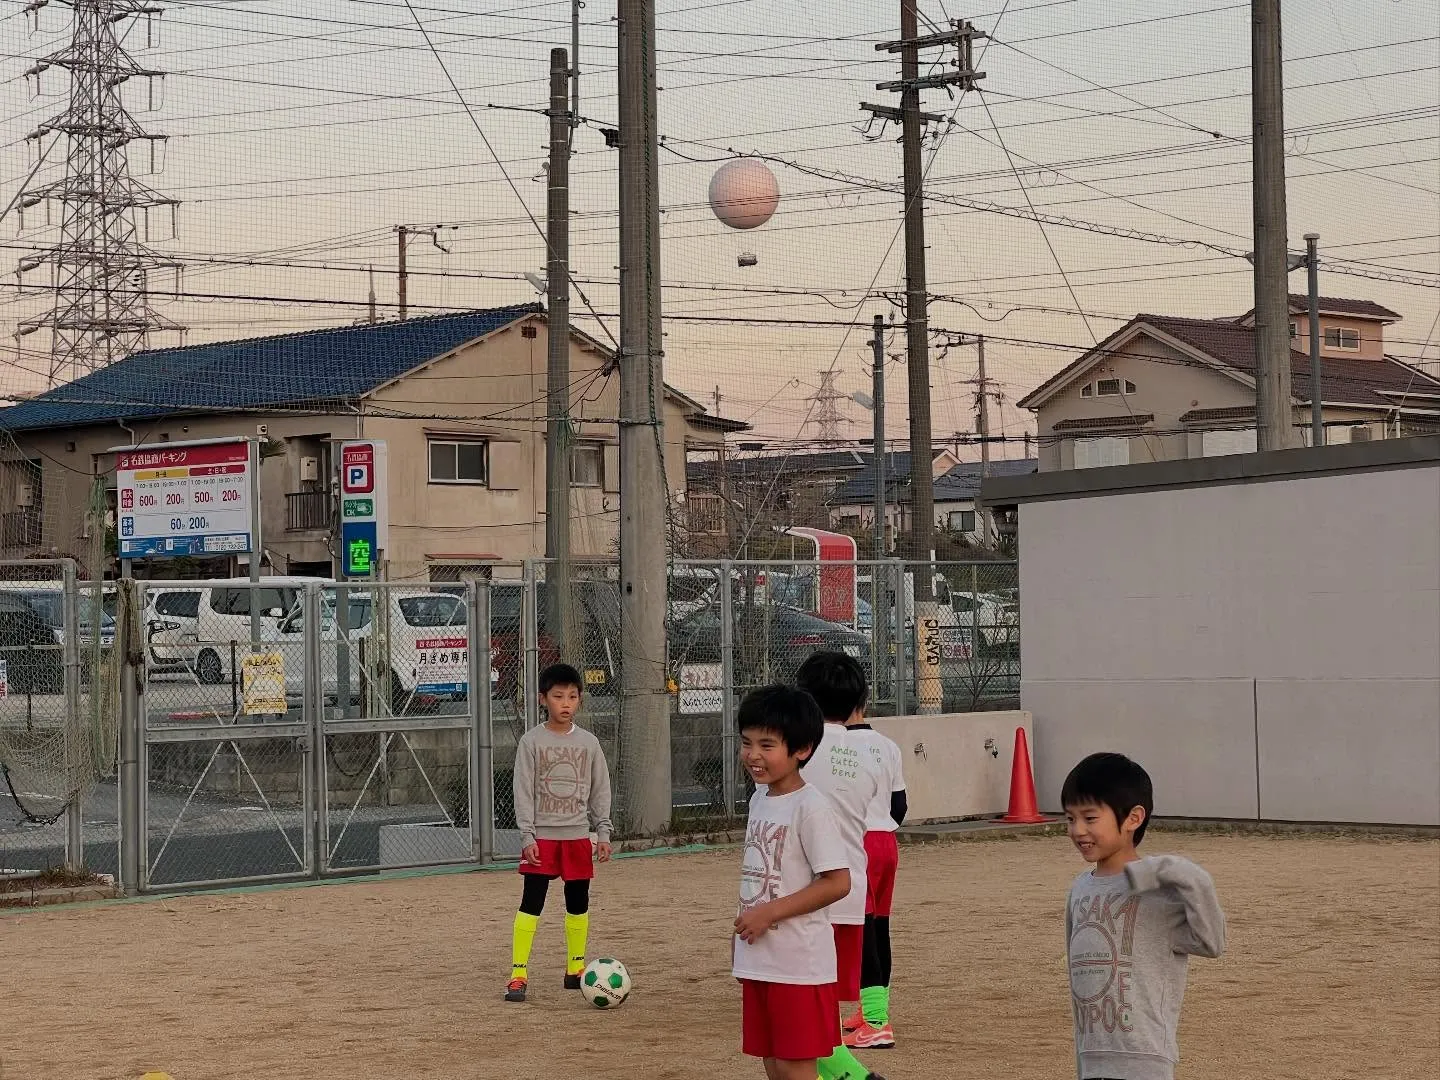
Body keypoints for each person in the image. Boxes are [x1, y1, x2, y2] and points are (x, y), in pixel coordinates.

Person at [732, 684, 875, 1080]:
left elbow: (837, 882)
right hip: (760, 959)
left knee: (795, 1065)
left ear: (802, 749)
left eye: (767, 745)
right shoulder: (759, 800)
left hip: (799, 965)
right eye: (746, 743)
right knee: (771, 1059)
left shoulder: (811, 807)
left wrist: (769, 913)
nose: (753, 755)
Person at [1062, 752, 1226, 1080]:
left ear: (1133, 818)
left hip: (1145, 1061)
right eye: (1069, 818)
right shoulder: (1080, 888)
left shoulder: (1160, 887)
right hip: (1092, 1061)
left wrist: (1175, 870)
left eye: (1090, 818)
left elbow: (1212, 942)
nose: (1077, 830)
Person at [792, 651, 888, 1080]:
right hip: (850, 896)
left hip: (806, 896)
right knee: (821, 1008)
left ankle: (861, 1078)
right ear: (856, 703)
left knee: (805, 1017)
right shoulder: (870, 754)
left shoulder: (798, 753)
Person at [506, 662, 613, 1003]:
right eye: (557, 696)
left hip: (578, 836)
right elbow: (523, 791)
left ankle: (575, 969)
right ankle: (518, 973)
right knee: (531, 902)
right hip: (542, 838)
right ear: (543, 699)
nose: (565, 703)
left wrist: (603, 832)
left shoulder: (589, 743)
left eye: (572, 696)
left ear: (580, 699)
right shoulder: (531, 742)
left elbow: (600, 790)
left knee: (578, 901)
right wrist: (527, 836)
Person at [842, 708, 906, 1049]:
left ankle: (877, 1022)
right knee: (880, 926)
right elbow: (900, 807)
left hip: (858, 842)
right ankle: (871, 1010)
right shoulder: (888, 745)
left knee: (863, 928)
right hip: (886, 842)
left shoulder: (832, 746)